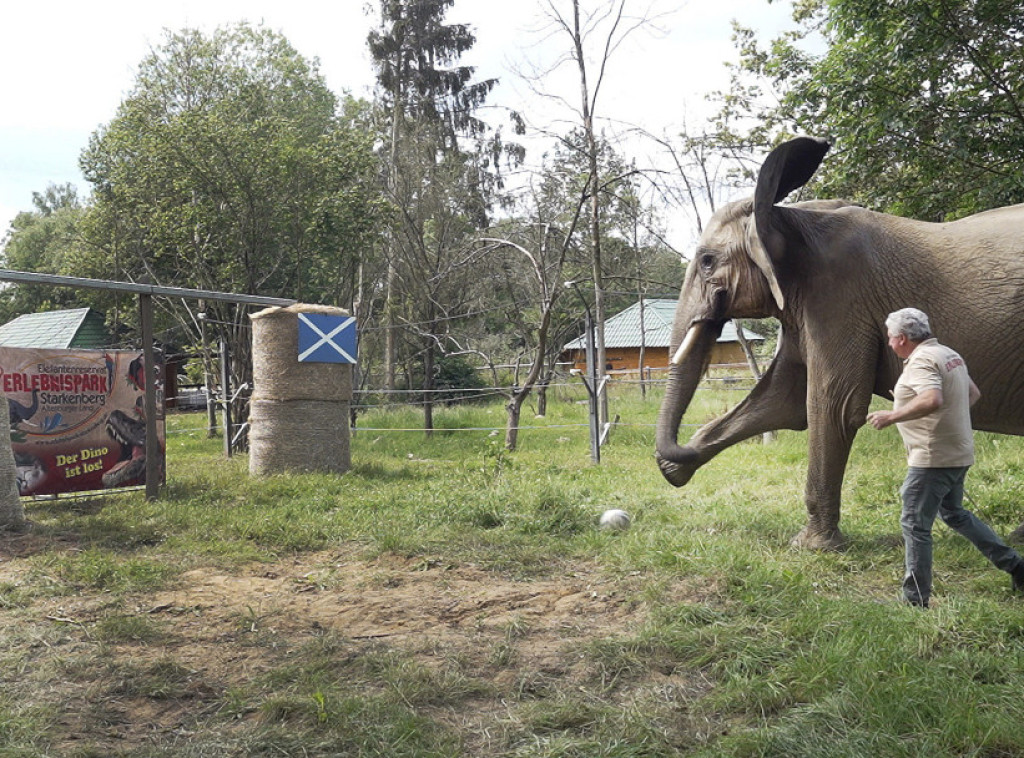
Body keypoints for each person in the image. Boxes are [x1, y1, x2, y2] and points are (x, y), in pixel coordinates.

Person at [866, 307, 1024, 607]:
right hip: (957, 451)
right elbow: (972, 393)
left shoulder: (922, 361)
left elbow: (932, 398)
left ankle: (915, 600)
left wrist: (893, 415)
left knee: (914, 523)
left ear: (901, 338)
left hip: (933, 458)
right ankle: (1017, 567)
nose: (888, 343)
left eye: (890, 338)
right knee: (954, 513)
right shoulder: (948, 354)